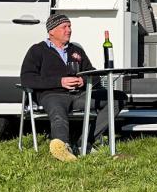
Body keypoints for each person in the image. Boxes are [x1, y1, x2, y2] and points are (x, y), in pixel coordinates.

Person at [20, 14, 126, 161]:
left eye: (70, 27)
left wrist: (83, 80)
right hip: (52, 94)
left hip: (79, 95)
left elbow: (94, 73)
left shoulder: (76, 50)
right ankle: (63, 147)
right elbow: (27, 78)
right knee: (58, 113)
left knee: (118, 98)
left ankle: (84, 142)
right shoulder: (37, 50)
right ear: (51, 31)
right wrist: (60, 82)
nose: (69, 30)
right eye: (64, 27)